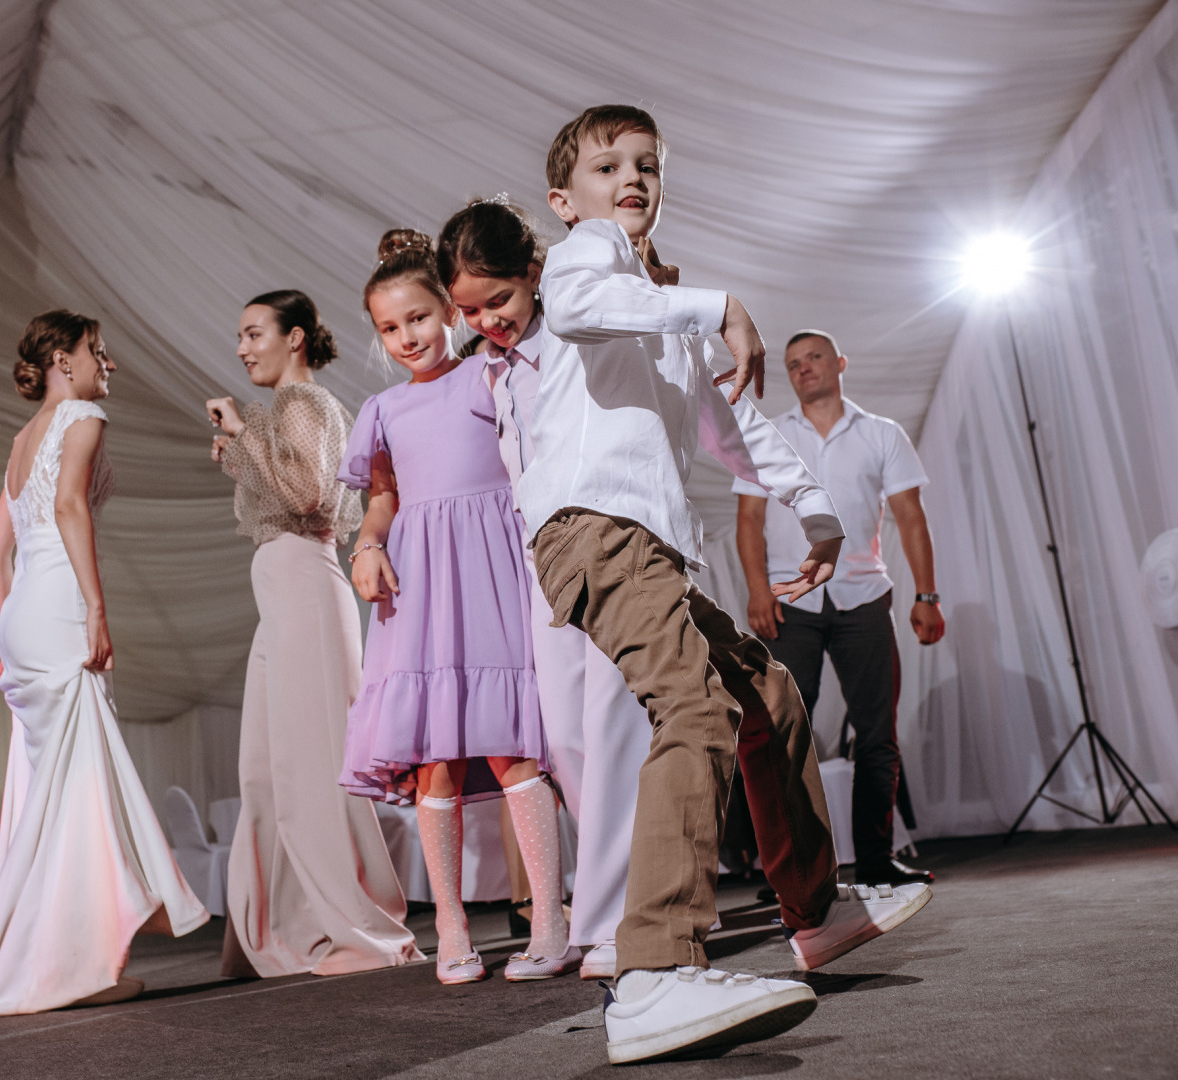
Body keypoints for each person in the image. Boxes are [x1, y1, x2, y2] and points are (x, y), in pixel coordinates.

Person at [523, 105, 932, 1063]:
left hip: (648, 543)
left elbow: (733, 426)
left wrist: (816, 508)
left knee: (767, 691)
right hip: (592, 527)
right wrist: (720, 304)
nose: (632, 177)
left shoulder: (658, 303)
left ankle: (816, 911)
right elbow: (576, 310)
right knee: (697, 710)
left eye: (647, 165)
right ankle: (654, 973)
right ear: (565, 198)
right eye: (607, 166)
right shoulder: (583, 259)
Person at [0, 309, 207, 1022]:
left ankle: (73, 957)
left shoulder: (21, 438)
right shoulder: (81, 415)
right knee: (79, 789)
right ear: (63, 357)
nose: (106, 365)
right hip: (58, 606)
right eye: (98, 352)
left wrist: (7, 636)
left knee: (53, 797)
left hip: (24, 615)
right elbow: (69, 507)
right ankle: (76, 963)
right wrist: (96, 607)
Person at [339, 229, 576, 985]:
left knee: (513, 747)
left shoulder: (489, 377)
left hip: (493, 564)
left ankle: (548, 916)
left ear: (449, 309)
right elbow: (383, 498)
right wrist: (369, 546)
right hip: (419, 581)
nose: (406, 336)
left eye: (416, 317)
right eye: (388, 327)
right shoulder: (380, 410)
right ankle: (447, 925)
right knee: (434, 762)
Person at [438, 198, 651, 981]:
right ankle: (604, 916)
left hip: (602, 539)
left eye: (497, 299)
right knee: (561, 737)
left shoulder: (569, 334)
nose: (486, 319)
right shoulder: (484, 369)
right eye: (468, 308)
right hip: (536, 560)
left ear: (534, 273)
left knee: (610, 727)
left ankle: (616, 920)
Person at [205, 289, 421, 979]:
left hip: (302, 582)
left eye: (252, 333)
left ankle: (351, 922)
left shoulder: (303, 404)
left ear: (293, 337)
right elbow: (290, 487)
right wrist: (242, 451)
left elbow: (309, 499)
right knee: (266, 768)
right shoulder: (284, 412)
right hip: (280, 586)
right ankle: (275, 926)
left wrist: (243, 437)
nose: (241, 348)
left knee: (309, 762)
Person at [735, 329, 943, 886]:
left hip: (864, 597)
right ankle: (791, 868)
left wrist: (926, 595)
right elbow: (749, 520)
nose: (804, 369)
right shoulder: (768, 434)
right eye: (794, 363)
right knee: (784, 737)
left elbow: (911, 518)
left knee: (877, 735)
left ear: (840, 364)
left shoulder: (882, 434)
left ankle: (876, 861)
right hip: (789, 602)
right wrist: (757, 589)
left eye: (815, 358)